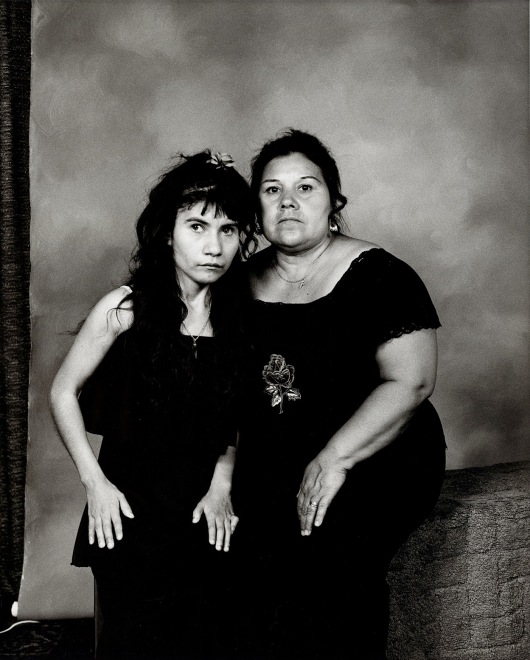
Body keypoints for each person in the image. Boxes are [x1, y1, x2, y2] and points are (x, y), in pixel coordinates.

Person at [231, 129, 446, 660]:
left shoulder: (380, 276)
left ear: (334, 201)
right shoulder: (235, 284)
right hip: (275, 453)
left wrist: (332, 458)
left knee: (330, 556)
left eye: (306, 187)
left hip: (379, 450)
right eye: (271, 190)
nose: (288, 201)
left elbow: (411, 382)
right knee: (248, 562)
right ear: (255, 208)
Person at [49, 151, 253, 659]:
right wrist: (95, 484)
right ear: (167, 232)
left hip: (202, 503)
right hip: (129, 502)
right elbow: (62, 392)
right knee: (130, 643)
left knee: (206, 638)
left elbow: (237, 416)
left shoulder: (240, 319)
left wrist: (222, 486)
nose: (214, 245)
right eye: (198, 226)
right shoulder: (124, 308)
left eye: (228, 230)